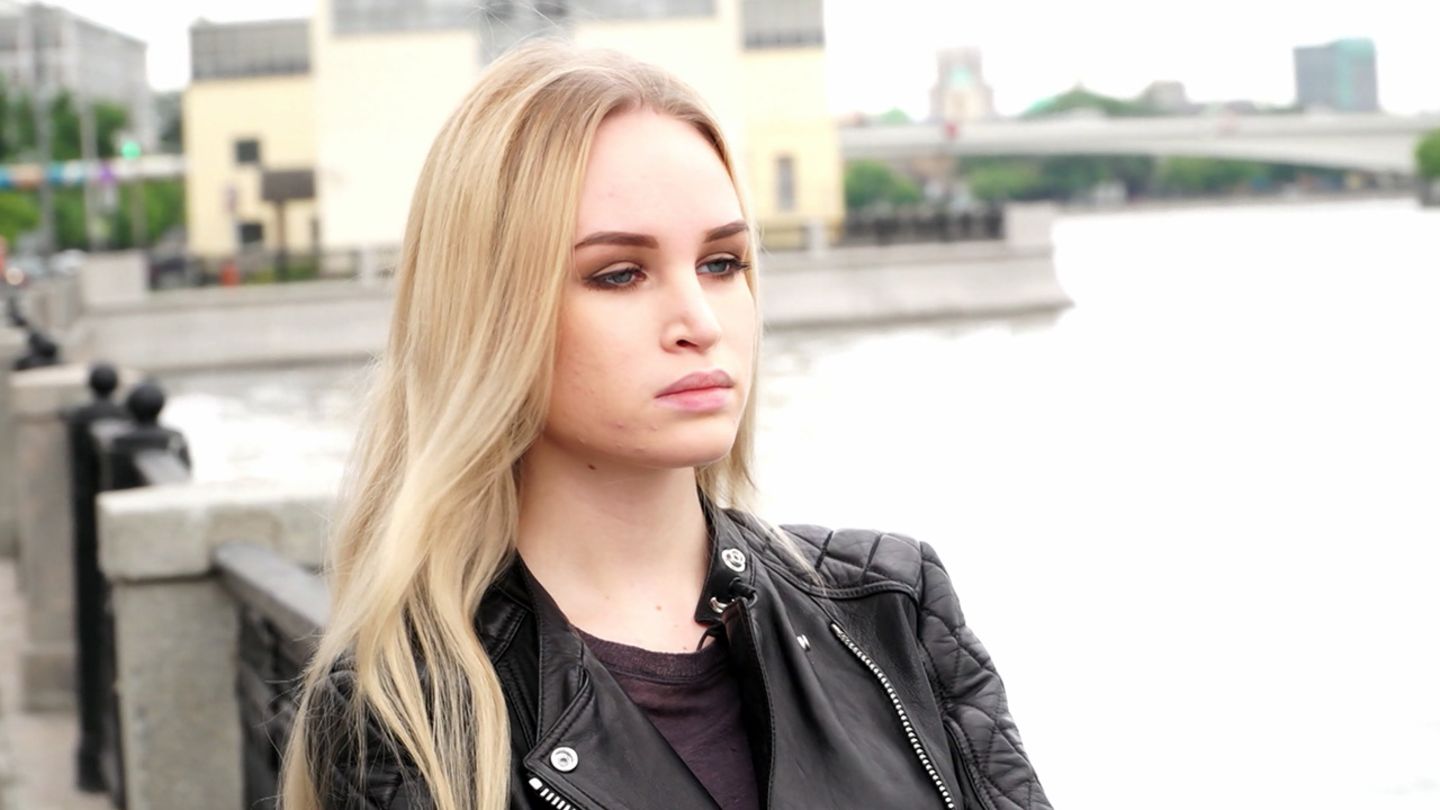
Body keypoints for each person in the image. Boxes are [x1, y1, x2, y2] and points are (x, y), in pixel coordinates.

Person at [283, 41, 1049, 810]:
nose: (700, 322)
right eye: (619, 273)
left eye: (722, 263)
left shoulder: (890, 605)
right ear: (487, 316)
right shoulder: (415, 716)